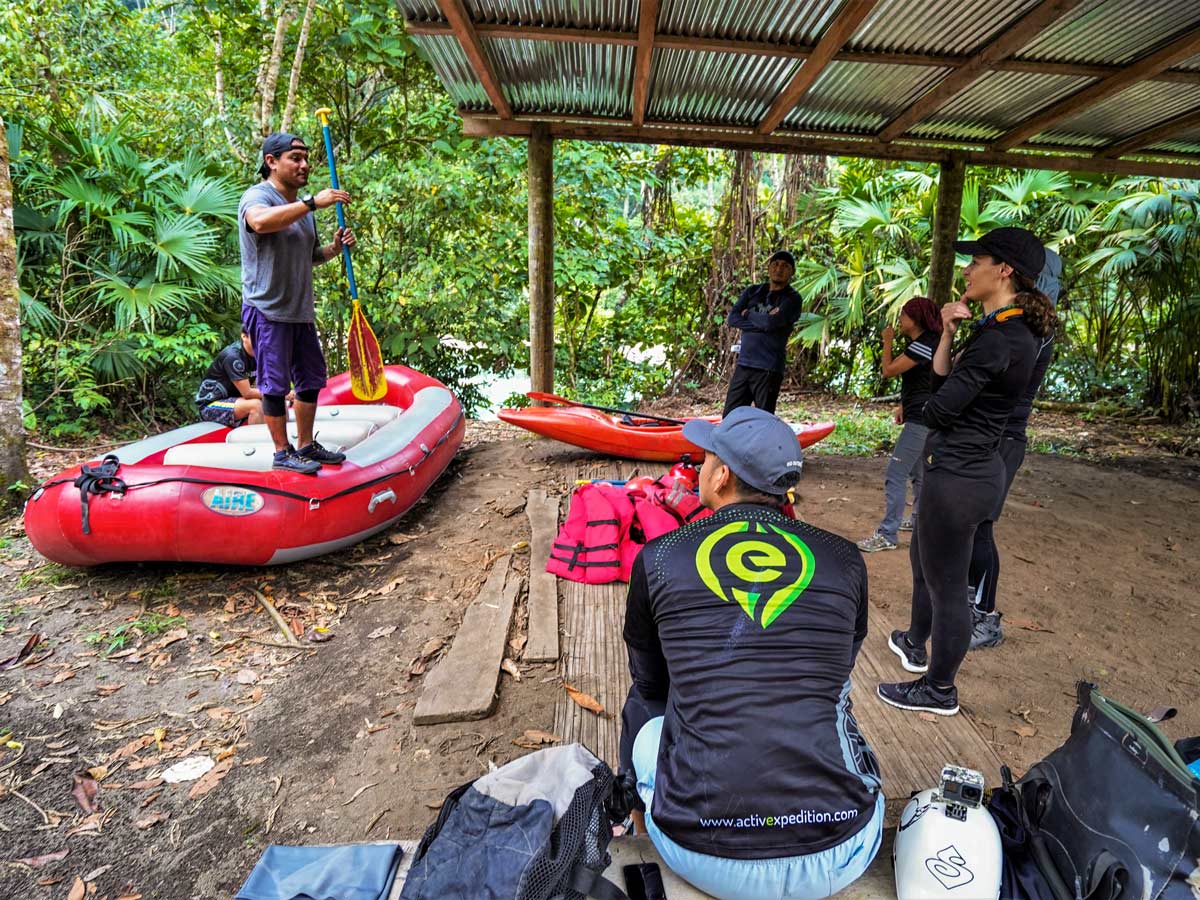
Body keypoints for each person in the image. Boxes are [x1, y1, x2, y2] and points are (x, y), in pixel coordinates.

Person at [619, 406, 884, 900]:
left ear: (721, 476)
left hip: (700, 852)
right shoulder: (846, 558)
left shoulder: (657, 557)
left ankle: (636, 822)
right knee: (833, 699)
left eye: (704, 458)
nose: (698, 466)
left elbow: (651, 687)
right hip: (838, 851)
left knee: (644, 711)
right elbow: (839, 672)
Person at [878, 227, 1057, 717]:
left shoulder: (1002, 339)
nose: (966, 269)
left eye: (975, 262)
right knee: (929, 567)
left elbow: (938, 407)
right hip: (969, 471)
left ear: (1004, 270)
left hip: (959, 476)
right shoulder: (1001, 330)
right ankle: (919, 652)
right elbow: (942, 378)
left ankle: (938, 690)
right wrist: (949, 332)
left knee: (948, 588)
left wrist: (921, 408)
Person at [239, 131, 357, 476]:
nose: (304, 165)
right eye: (296, 158)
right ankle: (281, 451)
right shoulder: (258, 196)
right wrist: (310, 203)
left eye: (306, 158)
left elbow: (309, 255)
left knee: (310, 380)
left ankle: (306, 445)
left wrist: (334, 248)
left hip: (300, 309)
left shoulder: (303, 210)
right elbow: (259, 222)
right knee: (274, 384)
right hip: (268, 308)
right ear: (271, 162)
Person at [967, 249, 1062, 648]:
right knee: (968, 525)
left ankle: (985, 618)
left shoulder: (1028, 331)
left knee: (980, 526)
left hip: (1003, 439)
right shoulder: (1007, 324)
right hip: (988, 436)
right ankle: (966, 606)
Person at [857, 297, 943, 553]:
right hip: (923, 414)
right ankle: (917, 520)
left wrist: (887, 341)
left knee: (895, 474)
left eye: (903, 315)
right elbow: (925, 381)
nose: (900, 320)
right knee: (919, 474)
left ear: (915, 319)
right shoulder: (927, 344)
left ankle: (887, 534)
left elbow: (888, 370)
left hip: (921, 420)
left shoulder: (922, 345)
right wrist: (905, 405)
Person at [723, 249, 804, 415]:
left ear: (792, 272)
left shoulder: (792, 298)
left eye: (785, 266)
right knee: (731, 416)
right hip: (744, 364)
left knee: (763, 419)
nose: (779, 269)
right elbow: (733, 318)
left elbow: (771, 323)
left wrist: (749, 314)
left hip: (769, 368)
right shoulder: (753, 291)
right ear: (768, 267)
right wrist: (765, 322)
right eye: (775, 264)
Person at [195, 330, 265, 427]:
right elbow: (248, 393)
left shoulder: (260, 354)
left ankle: (283, 440)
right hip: (210, 405)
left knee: (275, 401)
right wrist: (280, 393)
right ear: (244, 336)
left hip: (236, 400)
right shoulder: (233, 357)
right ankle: (254, 441)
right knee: (256, 405)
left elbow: (261, 385)